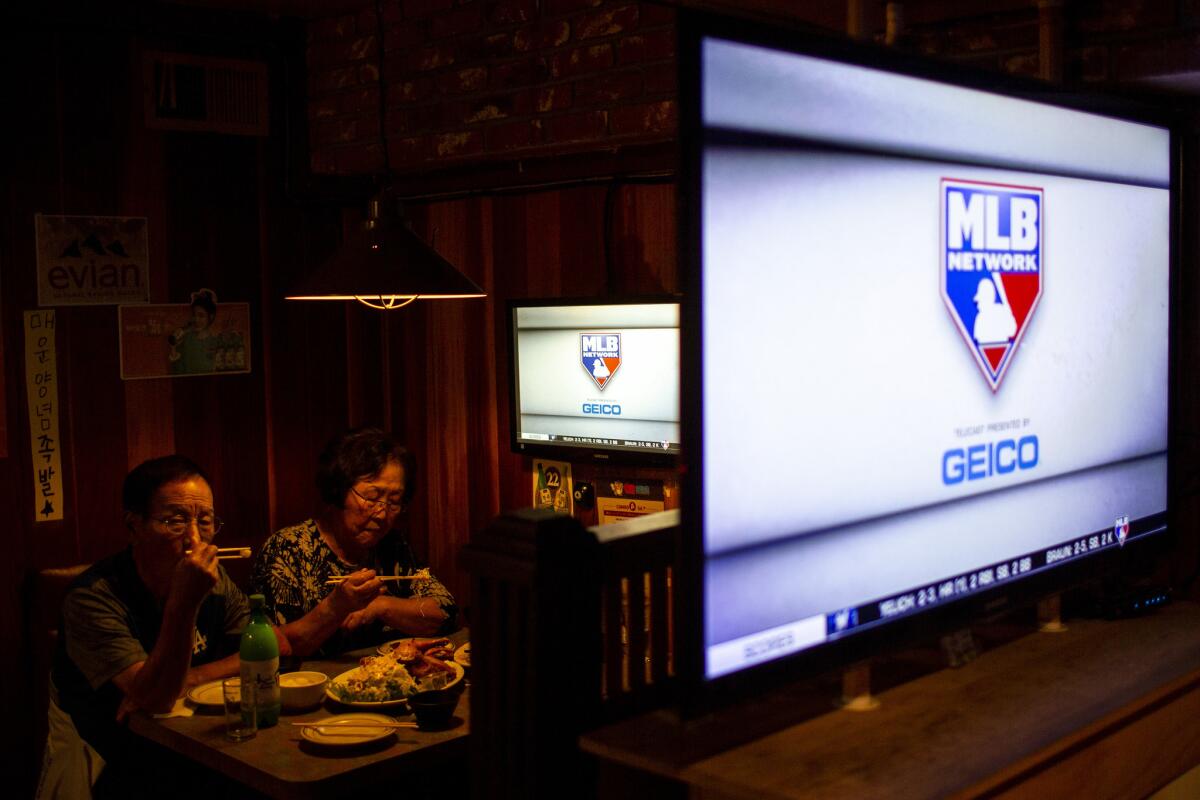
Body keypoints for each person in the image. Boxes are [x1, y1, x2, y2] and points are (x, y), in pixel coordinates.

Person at [43, 455, 280, 798]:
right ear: (134, 525)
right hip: (112, 760)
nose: (195, 540)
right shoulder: (91, 598)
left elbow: (266, 645)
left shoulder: (215, 578)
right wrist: (184, 601)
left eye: (206, 521)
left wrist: (191, 678)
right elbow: (156, 698)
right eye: (175, 522)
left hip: (197, 742)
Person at [251, 427, 457, 657]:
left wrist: (381, 605)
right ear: (339, 488)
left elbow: (445, 610)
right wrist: (336, 608)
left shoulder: (392, 546)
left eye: (394, 501)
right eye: (371, 497)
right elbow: (272, 647)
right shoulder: (287, 549)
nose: (381, 514)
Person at [167, 289, 218, 374]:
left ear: (211, 317)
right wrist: (173, 348)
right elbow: (177, 372)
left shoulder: (215, 341)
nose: (196, 320)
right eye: (194, 315)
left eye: (201, 316)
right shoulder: (186, 340)